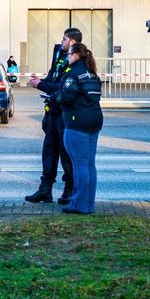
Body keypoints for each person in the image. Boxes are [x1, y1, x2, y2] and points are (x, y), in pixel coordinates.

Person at [25, 27, 82, 204]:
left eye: (64, 39)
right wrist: (40, 81)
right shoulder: (59, 56)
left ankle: (68, 190)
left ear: (72, 42)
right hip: (52, 111)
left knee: (65, 153)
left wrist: (40, 85)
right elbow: (52, 79)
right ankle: (45, 189)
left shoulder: (76, 62)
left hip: (65, 113)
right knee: (48, 151)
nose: (61, 41)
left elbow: (62, 87)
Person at [52, 43, 103, 215]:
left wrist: (55, 97)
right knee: (90, 164)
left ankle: (79, 205)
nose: (67, 57)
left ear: (75, 55)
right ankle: (89, 204)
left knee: (79, 164)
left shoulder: (73, 74)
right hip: (94, 121)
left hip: (77, 122)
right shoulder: (93, 74)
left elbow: (67, 97)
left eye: (69, 54)